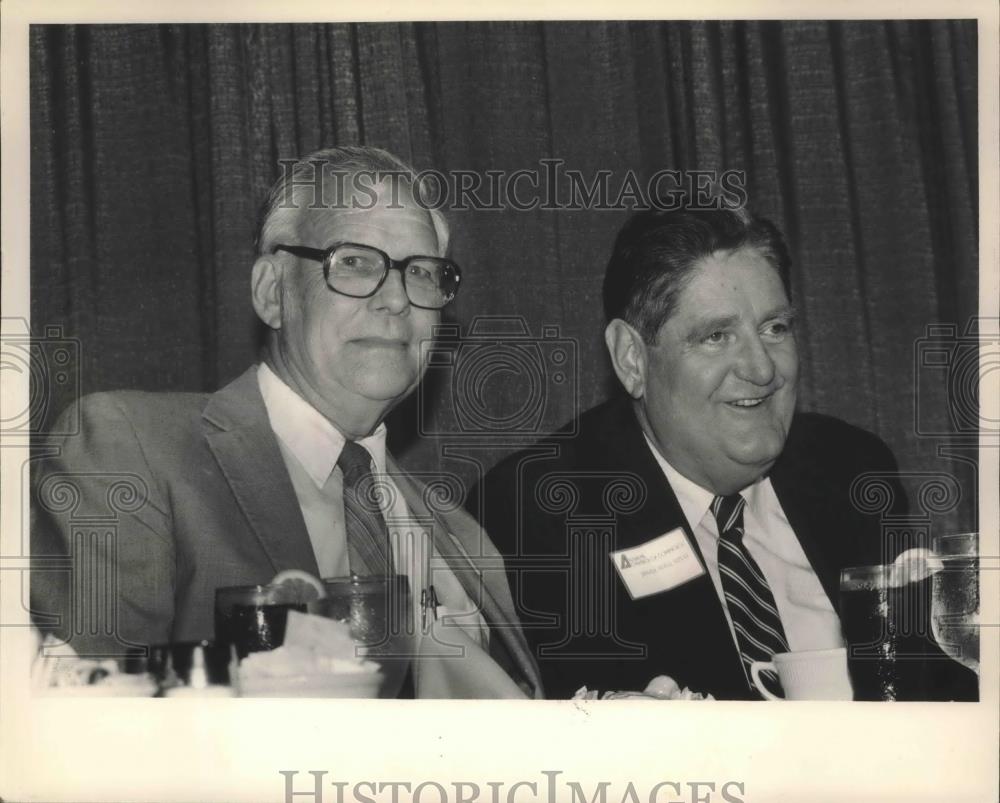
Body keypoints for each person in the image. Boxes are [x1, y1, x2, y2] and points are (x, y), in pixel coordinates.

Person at [31, 145, 541, 699]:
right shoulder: (131, 452)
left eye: (421, 273)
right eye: (354, 261)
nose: (397, 299)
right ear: (273, 293)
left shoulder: (464, 538)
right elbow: (85, 733)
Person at [471, 206, 976, 701]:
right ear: (632, 358)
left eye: (775, 328)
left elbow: (924, 685)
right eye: (716, 337)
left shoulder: (851, 468)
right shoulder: (542, 508)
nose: (761, 369)